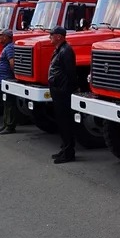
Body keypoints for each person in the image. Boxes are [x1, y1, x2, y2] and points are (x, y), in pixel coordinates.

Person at [47, 26, 77, 164]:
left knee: (65, 122)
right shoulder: (60, 50)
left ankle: (69, 152)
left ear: (59, 36)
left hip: (63, 91)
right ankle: (65, 149)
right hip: (58, 90)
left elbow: (70, 73)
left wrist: (65, 88)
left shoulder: (66, 51)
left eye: (51, 35)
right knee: (61, 121)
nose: (50, 37)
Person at [0, 29, 17, 134]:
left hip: (6, 79)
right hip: (1, 80)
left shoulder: (10, 48)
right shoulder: (6, 48)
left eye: (1, 36)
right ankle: (5, 124)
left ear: (6, 37)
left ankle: (10, 126)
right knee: (5, 103)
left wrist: (14, 75)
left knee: (9, 103)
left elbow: (12, 63)